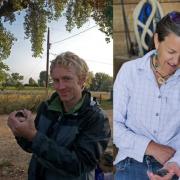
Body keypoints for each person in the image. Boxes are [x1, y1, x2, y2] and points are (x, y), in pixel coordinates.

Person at [8, 51, 111, 180]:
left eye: (67, 79)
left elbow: (80, 165)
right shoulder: (46, 108)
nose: (60, 86)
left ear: (82, 79)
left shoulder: (96, 118)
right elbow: (32, 148)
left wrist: (33, 136)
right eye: (56, 80)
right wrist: (20, 131)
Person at [113, 11, 180, 180]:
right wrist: (152, 147)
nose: (176, 61)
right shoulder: (129, 71)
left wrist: (175, 164)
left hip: (171, 166)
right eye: (171, 51)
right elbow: (115, 127)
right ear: (157, 40)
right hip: (131, 163)